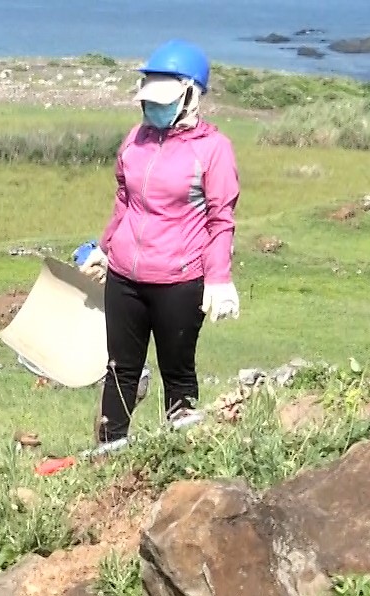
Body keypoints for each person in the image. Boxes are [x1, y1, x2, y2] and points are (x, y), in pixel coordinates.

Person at [79, 40, 241, 445]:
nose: (154, 108)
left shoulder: (213, 150)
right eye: (149, 97)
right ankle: (110, 451)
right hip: (125, 279)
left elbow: (221, 219)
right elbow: (124, 198)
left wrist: (219, 280)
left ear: (191, 95)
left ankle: (181, 453)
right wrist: (106, 246)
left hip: (180, 282)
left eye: (163, 98)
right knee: (120, 369)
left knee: (177, 370)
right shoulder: (136, 138)